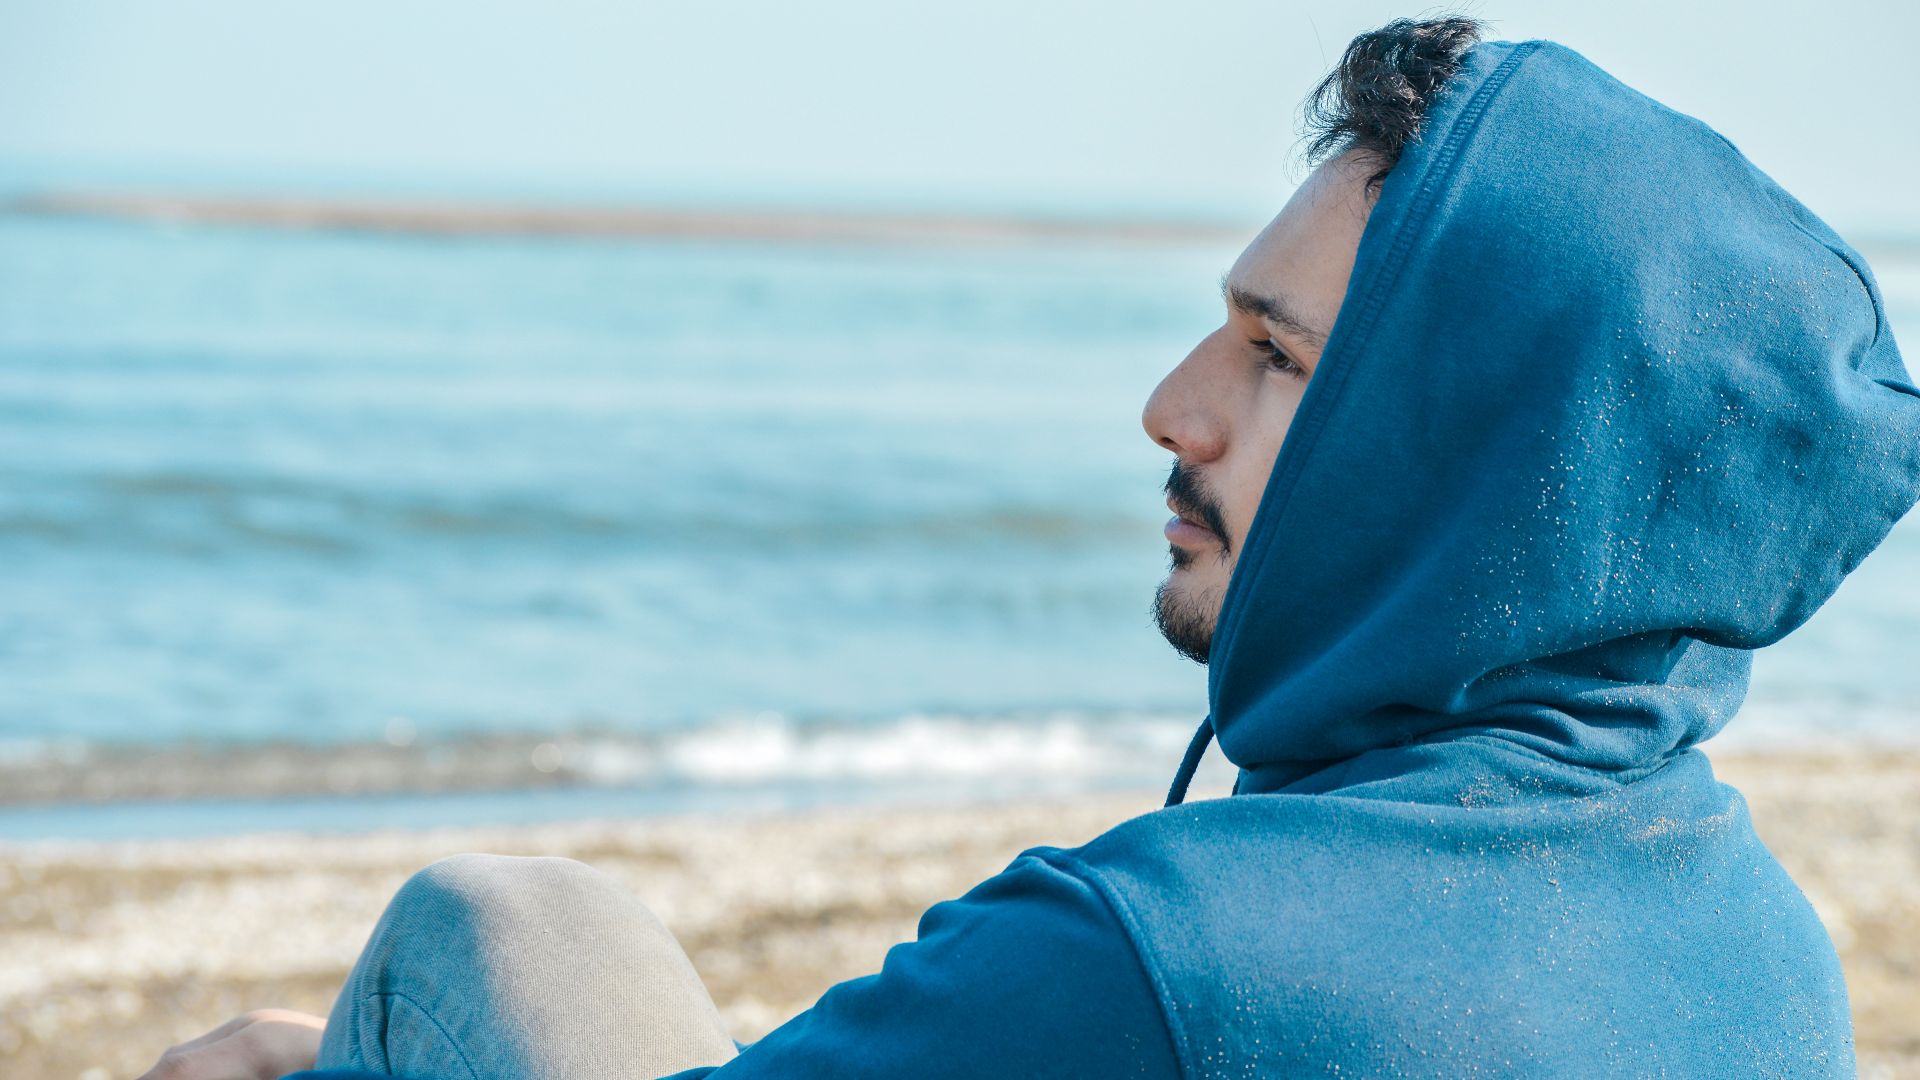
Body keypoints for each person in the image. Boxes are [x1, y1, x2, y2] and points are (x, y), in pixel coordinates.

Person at [140, 16, 1920, 1080]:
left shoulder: (1155, 959)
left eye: (1278, 356)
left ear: (1467, 450)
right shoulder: (1769, 951)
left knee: (501, 921)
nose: (1174, 405)